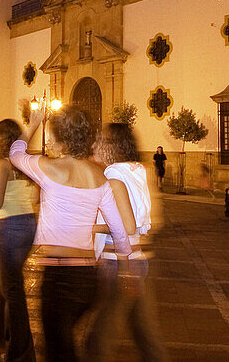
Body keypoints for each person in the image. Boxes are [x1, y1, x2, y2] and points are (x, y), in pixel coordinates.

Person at [9, 107, 135, 362]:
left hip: (59, 276)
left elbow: (15, 153)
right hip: (89, 278)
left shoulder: (48, 168)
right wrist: (126, 269)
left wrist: (33, 124)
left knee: (59, 351)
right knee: (62, 346)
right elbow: (120, 231)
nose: (49, 141)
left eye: (52, 136)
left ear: (62, 139)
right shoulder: (100, 177)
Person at [85, 122, 166, 362]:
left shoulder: (113, 175)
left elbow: (126, 225)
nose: (94, 145)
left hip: (120, 262)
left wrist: (87, 226)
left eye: (100, 140)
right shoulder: (138, 170)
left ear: (113, 147)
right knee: (146, 335)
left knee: (99, 340)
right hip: (140, 258)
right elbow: (151, 219)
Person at [0, 119, 39, 362]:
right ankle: (1, 333)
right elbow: (32, 196)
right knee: (9, 284)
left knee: (13, 291)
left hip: (10, 228)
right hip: (28, 226)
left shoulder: (4, 164)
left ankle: (20, 351)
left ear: (5, 138)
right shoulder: (23, 161)